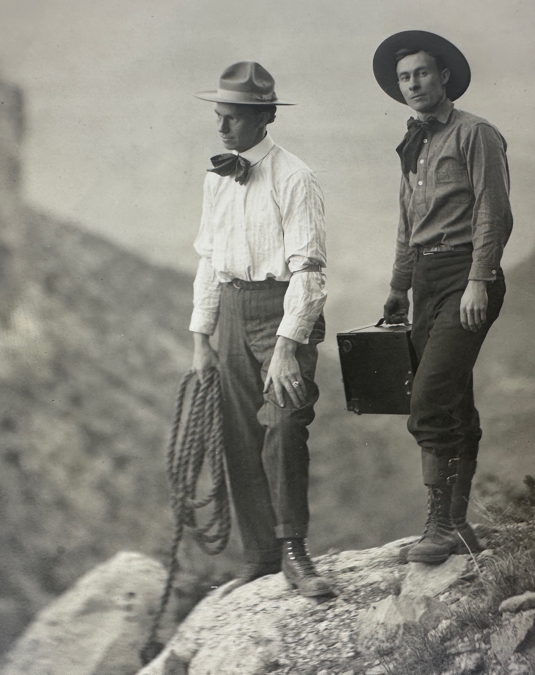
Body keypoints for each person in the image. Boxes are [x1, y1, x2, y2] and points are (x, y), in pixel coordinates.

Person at [189, 61, 332, 596]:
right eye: (220, 117)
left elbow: (311, 270)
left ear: (264, 117)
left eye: (233, 118)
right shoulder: (215, 178)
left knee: (286, 422)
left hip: (281, 311)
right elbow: (208, 257)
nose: (222, 128)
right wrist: (200, 338)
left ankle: (294, 550)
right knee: (237, 431)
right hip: (229, 309)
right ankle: (260, 555)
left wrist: (287, 346)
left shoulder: (295, 177)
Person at [372, 31, 513, 564]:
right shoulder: (413, 144)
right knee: (451, 397)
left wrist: (480, 278)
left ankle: (443, 524)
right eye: (405, 77)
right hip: (427, 280)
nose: (413, 84)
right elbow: (408, 224)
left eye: (422, 74)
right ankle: (455, 526)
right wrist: (396, 288)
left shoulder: (476, 134)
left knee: (428, 396)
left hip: (466, 276)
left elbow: (492, 212)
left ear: (444, 76)